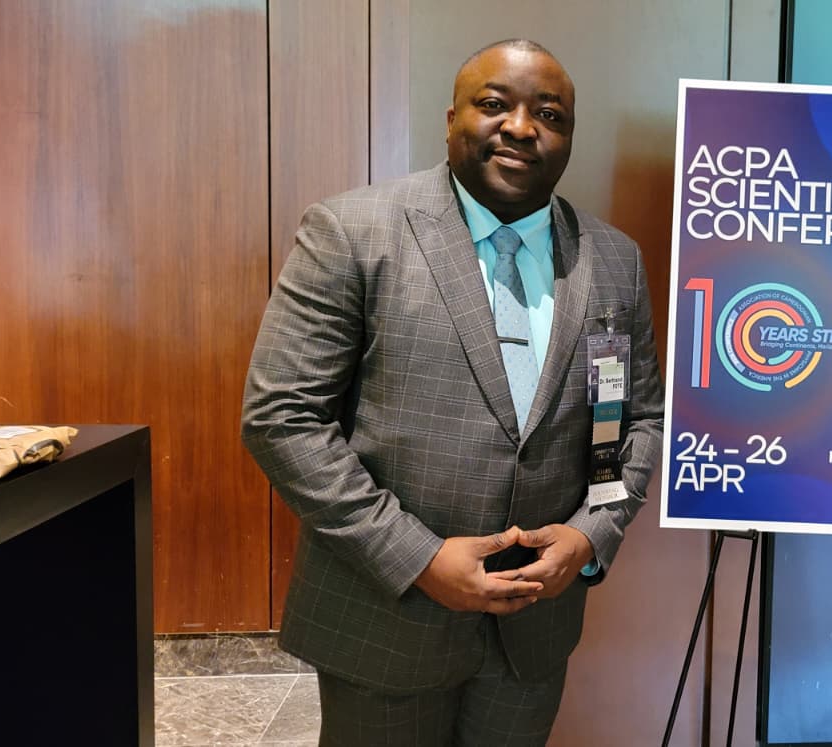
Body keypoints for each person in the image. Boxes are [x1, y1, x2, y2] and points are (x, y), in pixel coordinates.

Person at [241, 38, 664, 746]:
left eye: (549, 113)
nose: (522, 127)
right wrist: (419, 558)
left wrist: (591, 533)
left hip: (531, 635)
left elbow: (631, 423)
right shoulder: (352, 231)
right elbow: (282, 418)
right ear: (451, 118)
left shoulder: (613, 259)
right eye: (495, 105)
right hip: (386, 619)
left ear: (568, 136)